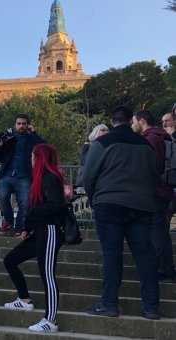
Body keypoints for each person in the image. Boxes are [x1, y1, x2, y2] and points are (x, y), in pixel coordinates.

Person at [80, 105, 160, 320]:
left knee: (112, 255)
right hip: (142, 205)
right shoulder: (146, 144)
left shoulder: (103, 142)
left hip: (109, 203)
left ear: (112, 120)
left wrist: (95, 197)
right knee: (145, 255)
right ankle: (151, 307)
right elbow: (154, 174)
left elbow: (87, 175)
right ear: (130, 120)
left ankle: (109, 304)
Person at [3, 144, 66, 333]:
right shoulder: (39, 178)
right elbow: (35, 207)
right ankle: (24, 299)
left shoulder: (51, 177)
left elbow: (55, 206)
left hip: (50, 231)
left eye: (32, 156)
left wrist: (31, 219)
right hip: (39, 231)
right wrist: (28, 226)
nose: (30, 159)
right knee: (10, 260)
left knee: (47, 276)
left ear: (39, 158)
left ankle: (51, 320)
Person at [131, 110, 176, 283]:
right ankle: (164, 269)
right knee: (160, 230)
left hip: (155, 191)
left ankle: (164, 270)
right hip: (164, 190)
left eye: (134, 122)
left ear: (142, 121)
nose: (132, 126)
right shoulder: (161, 137)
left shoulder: (150, 139)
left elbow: (149, 167)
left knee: (157, 232)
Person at [0, 114, 46, 237]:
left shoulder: (32, 139)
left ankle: (19, 227)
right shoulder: (8, 138)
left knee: (24, 203)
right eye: (19, 124)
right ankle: (8, 221)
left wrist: (34, 133)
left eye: (24, 123)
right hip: (6, 175)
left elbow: (44, 146)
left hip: (24, 176)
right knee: (2, 197)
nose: (21, 126)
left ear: (28, 125)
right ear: (15, 125)